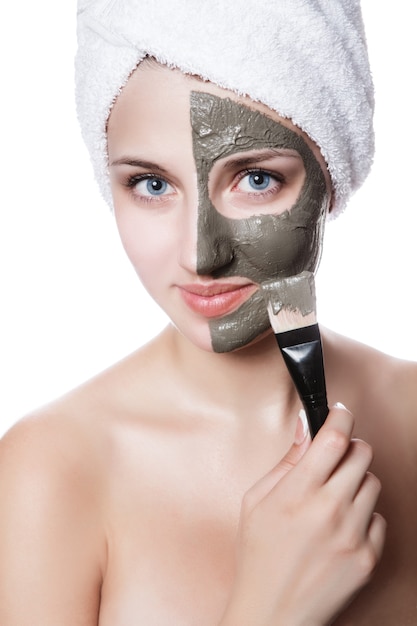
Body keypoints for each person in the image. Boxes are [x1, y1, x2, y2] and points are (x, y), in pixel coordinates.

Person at [0, 1, 416, 624]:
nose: (201, 253)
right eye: (151, 185)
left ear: (330, 175)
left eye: (254, 180)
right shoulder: (50, 473)